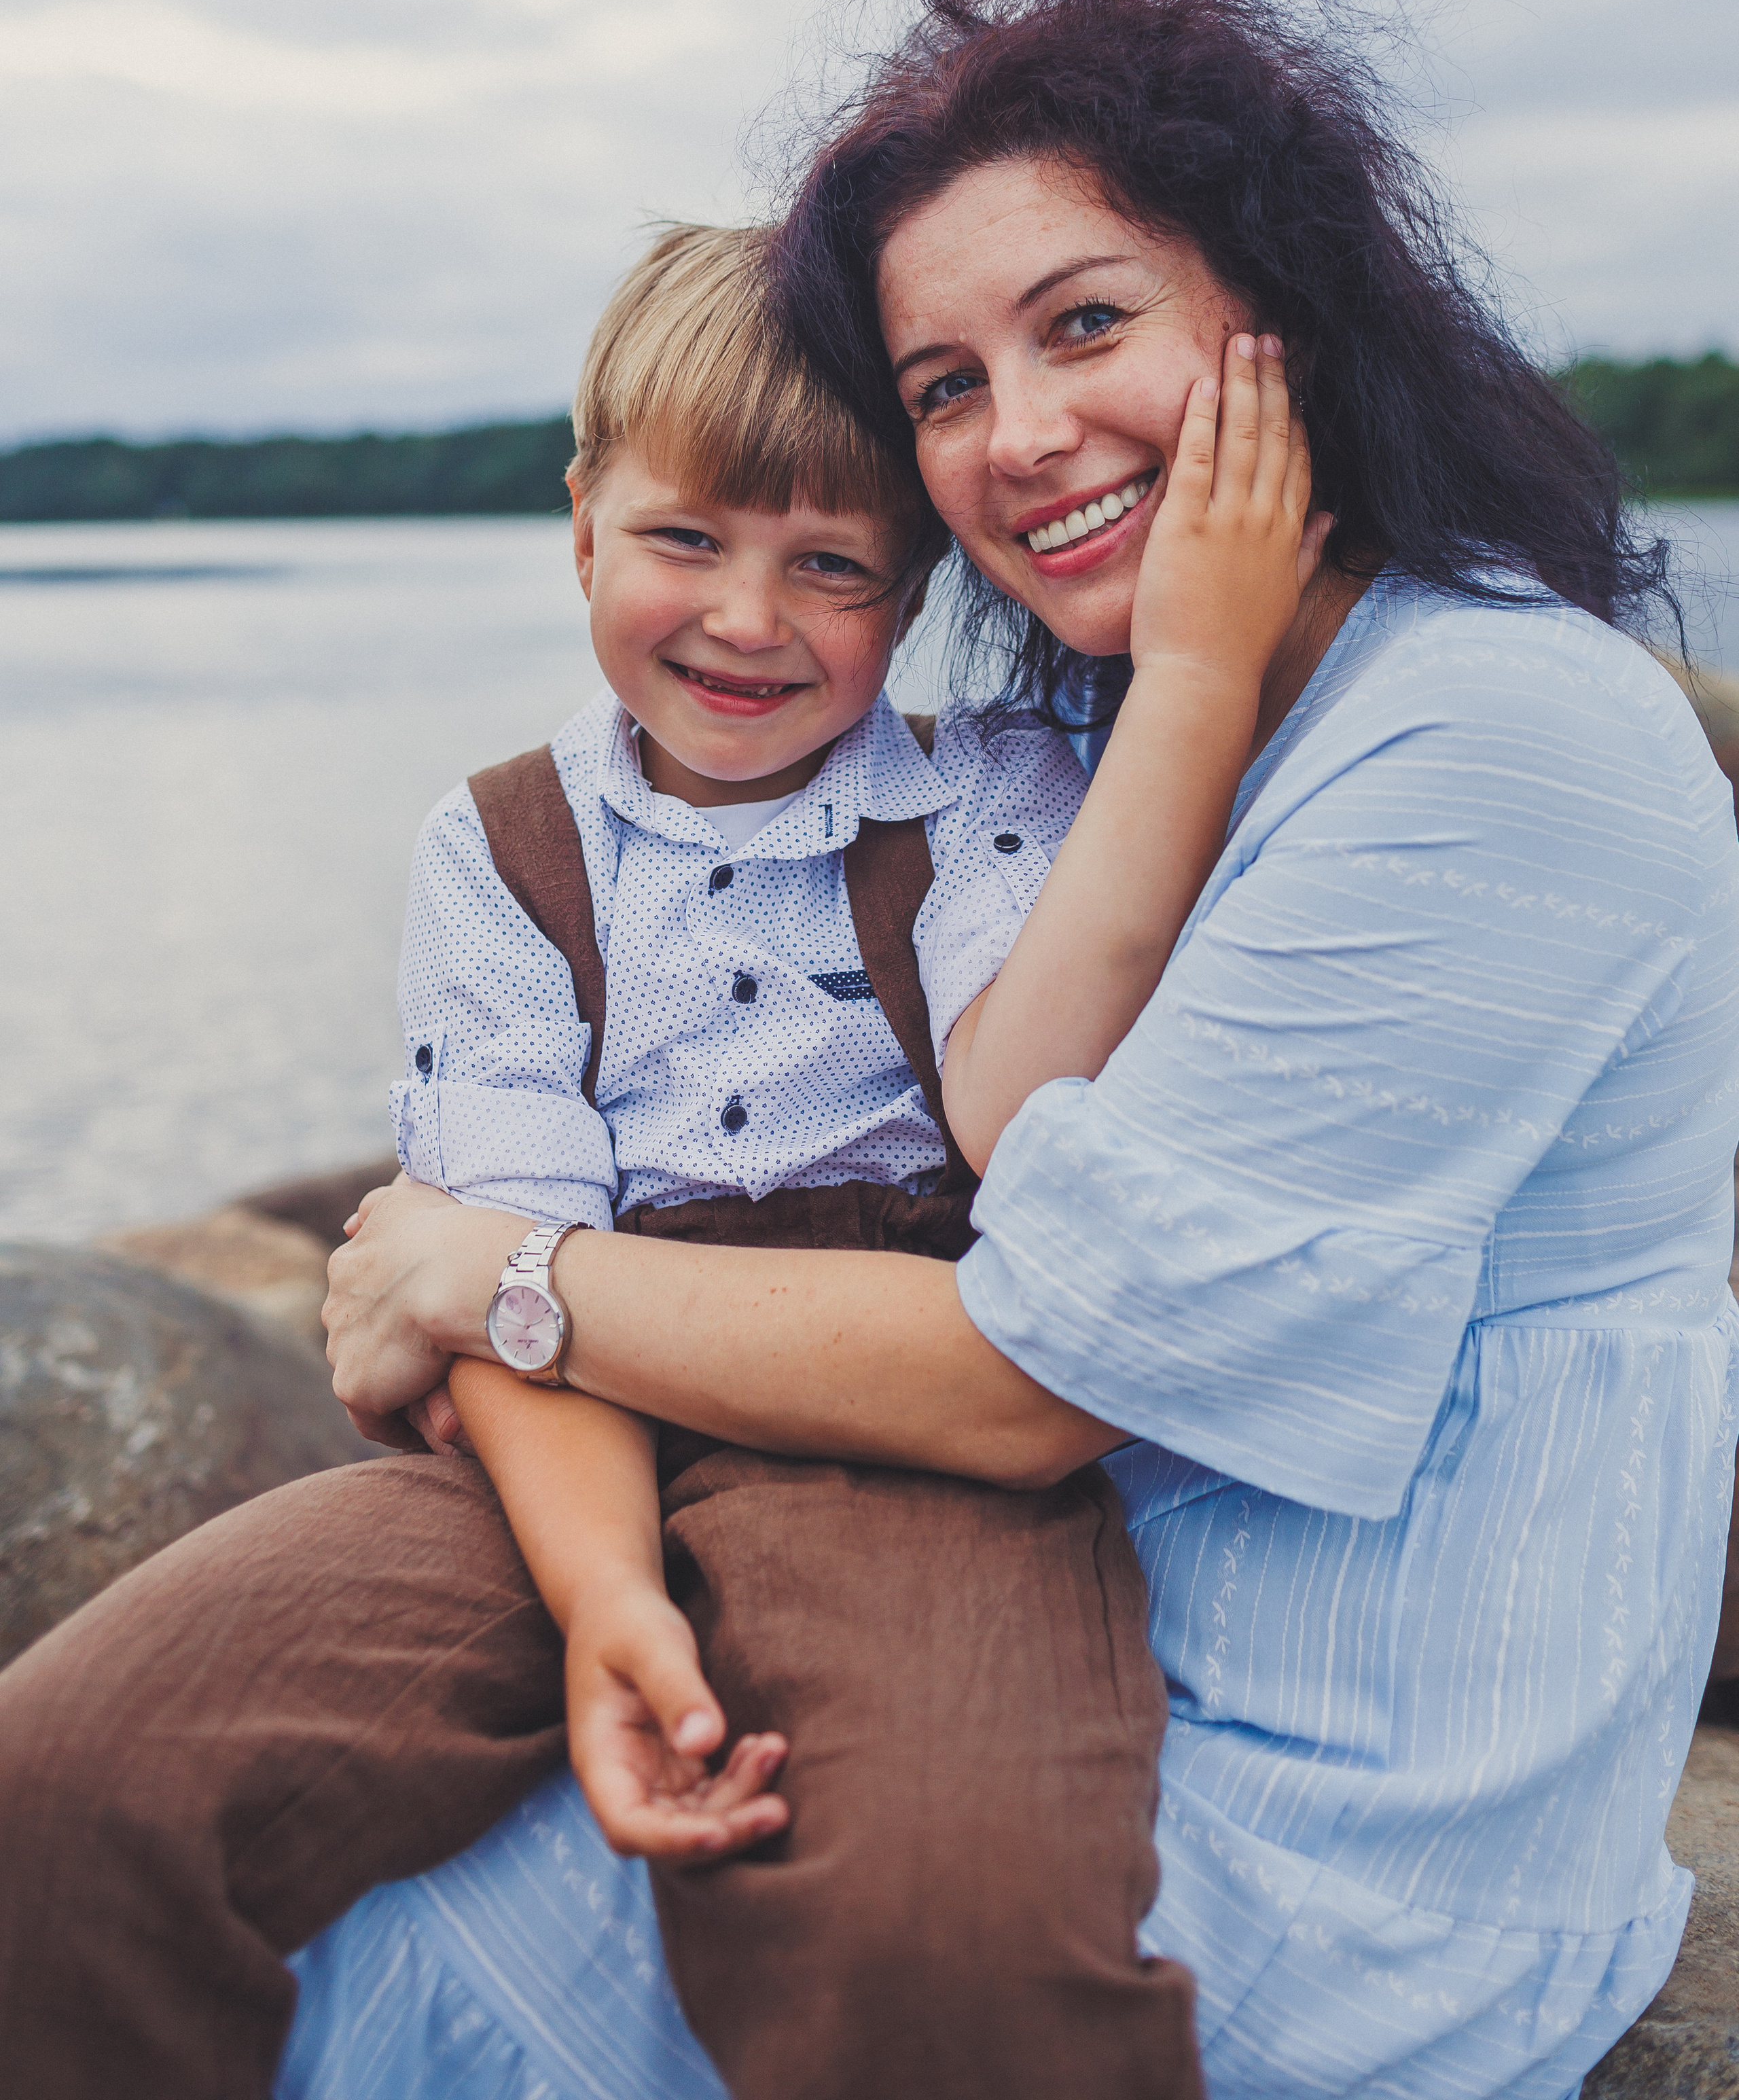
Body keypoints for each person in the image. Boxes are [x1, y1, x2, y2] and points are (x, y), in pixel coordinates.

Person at [301, 0, 1739, 2100]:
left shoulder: (1503, 735)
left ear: (1289, 309)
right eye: (944, 383)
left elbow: (1027, 1372)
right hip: (1038, 1666)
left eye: (1088, 324)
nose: (1022, 438)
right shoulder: (1102, 730)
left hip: (1316, 1838)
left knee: (350, 1958)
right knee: (187, 1805)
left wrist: (480, 1266)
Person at [0, 209, 1313, 2100]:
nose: (748, 618)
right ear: (583, 522)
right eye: (686, 536)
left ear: (921, 584)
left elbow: (1026, 1128)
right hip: (552, 1418)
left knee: (947, 1916)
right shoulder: (505, 850)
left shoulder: (1001, 795)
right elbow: (506, 1247)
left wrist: (1197, 681)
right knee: (67, 1781)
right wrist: (610, 1601)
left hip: (900, 1429)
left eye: (834, 565)